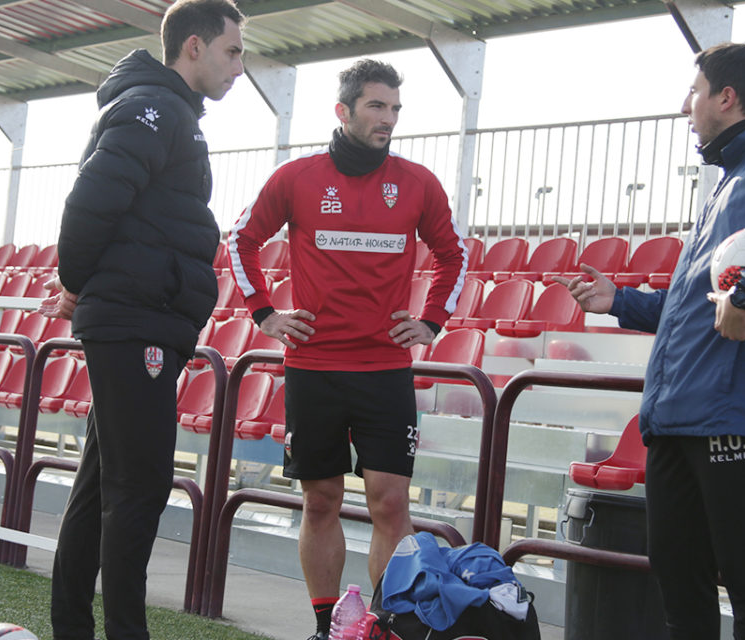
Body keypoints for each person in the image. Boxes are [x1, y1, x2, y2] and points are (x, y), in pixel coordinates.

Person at [553, 42, 745, 639]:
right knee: (680, 595)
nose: (684, 105)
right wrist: (620, 301)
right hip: (676, 420)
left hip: (732, 418)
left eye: (694, 91)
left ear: (726, 97)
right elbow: (693, 308)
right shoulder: (727, 182)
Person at [228, 59, 467, 640]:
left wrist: (431, 321)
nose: (389, 118)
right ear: (344, 110)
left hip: (385, 369)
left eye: (395, 108)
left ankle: (384, 627)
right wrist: (265, 313)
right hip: (314, 368)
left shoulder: (418, 182)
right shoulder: (297, 178)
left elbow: (453, 254)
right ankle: (326, 626)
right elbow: (241, 240)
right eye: (377, 106)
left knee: (391, 503)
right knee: (321, 500)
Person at [39, 1, 245, 638]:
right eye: (232, 51)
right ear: (193, 46)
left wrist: (82, 286)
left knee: (101, 485)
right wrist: (76, 283)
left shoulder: (168, 111)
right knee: (142, 486)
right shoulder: (154, 108)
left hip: (143, 317)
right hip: (135, 321)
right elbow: (91, 199)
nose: (240, 67)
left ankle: (72, 627)